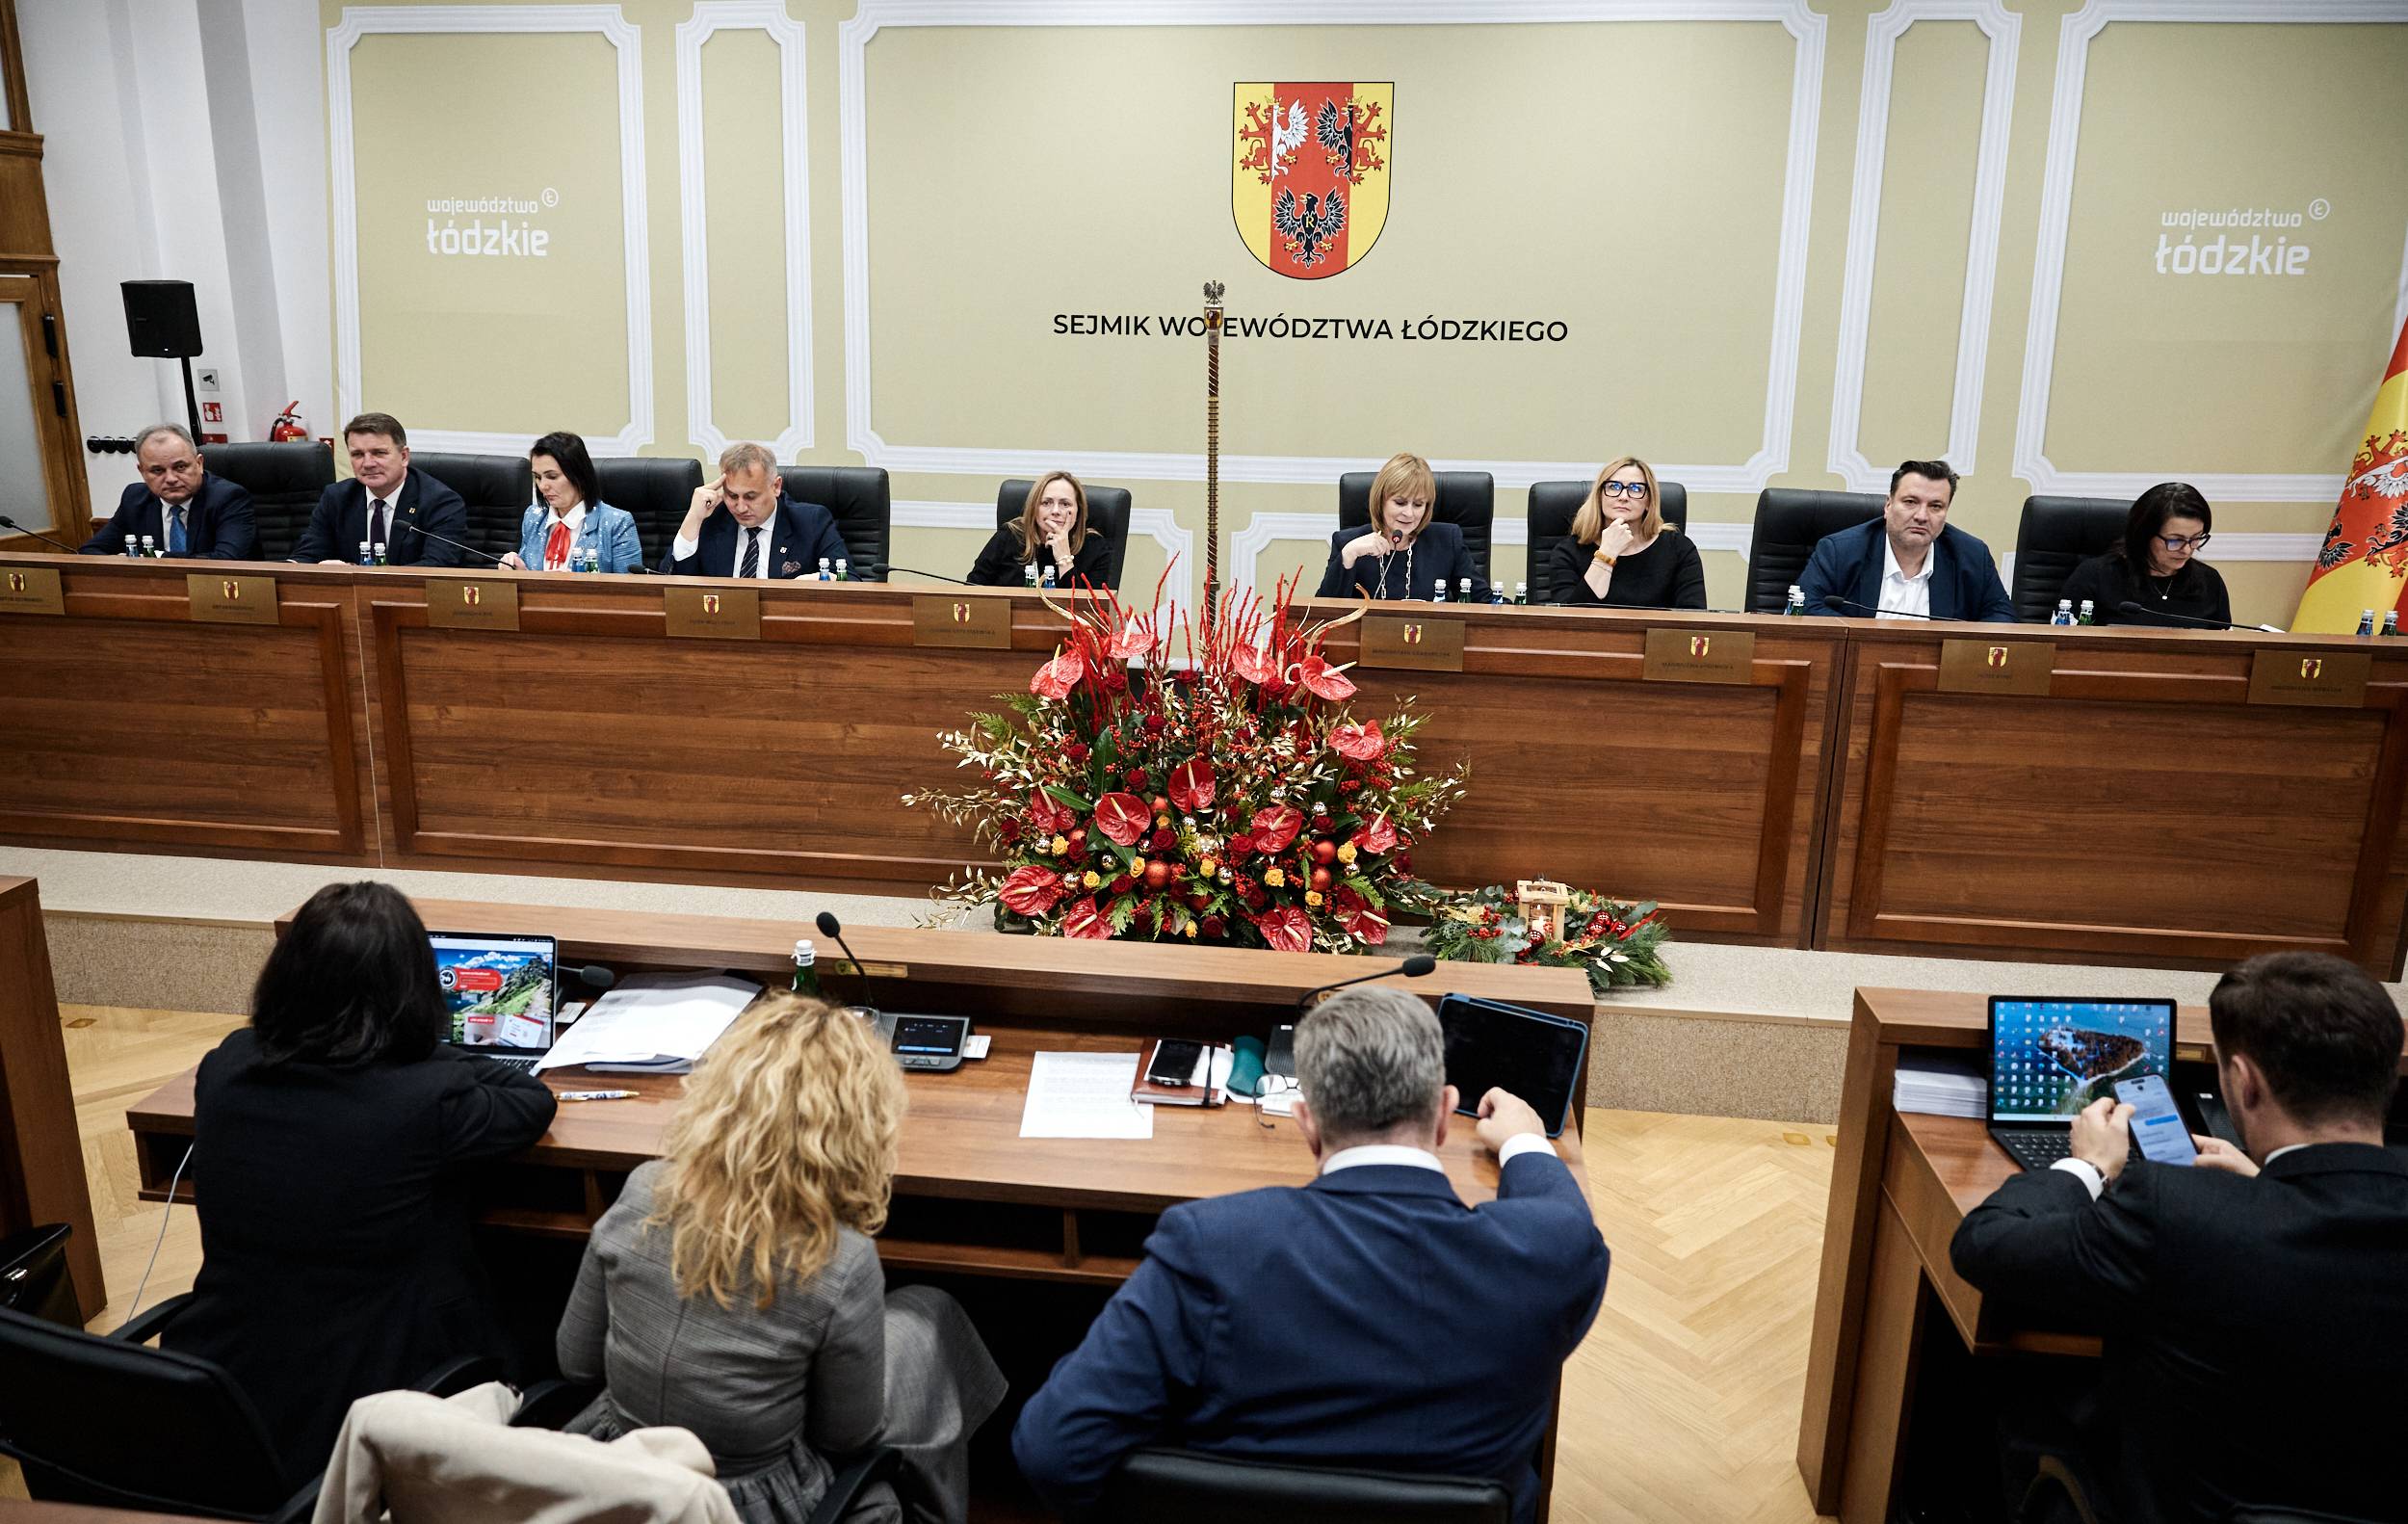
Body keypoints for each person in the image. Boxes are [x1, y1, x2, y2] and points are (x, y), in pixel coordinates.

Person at [1012, 985, 1609, 1524]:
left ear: (1305, 1120)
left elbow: (1053, 1451)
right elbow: (1563, 1217)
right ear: (1444, 1112)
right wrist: (1526, 1141)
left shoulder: (1213, 1243)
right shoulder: (1549, 1256)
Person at [1950, 952, 2408, 1524]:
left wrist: (2088, 1166)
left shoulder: (2175, 1210)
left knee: (2012, 1400)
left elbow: (1986, 1244)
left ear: (2244, 1082)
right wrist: (2269, 1186)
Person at [559, 992, 1005, 1524]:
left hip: (616, 1475)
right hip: (751, 1503)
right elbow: (847, 1436)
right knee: (929, 1315)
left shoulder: (644, 1188)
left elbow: (576, 1362)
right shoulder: (840, 1257)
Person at [166, 880, 557, 1481]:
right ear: (412, 992)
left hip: (231, 1387)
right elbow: (530, 1099)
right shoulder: (424, 1097)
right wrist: (423, 1049)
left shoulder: (225, 1068)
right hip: (384, 1394)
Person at [1796, 459, 2012, 621]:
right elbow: (1805, 608)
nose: (1922, 516)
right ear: (1888, 505)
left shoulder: (1972, 556)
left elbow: (2003, 618)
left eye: (1935, 506)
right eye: (1910, 502)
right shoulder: (1840, 551)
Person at [289, 412, 470, 566]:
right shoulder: (337, 497)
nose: (368, 463)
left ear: (404, 456)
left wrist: (357, 574)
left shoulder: (440, 503)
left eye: (379, 453)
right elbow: (308, 554)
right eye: (358, 454)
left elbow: (436, 567)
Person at [1314, 452, 1488, 601]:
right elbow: (1323, 614)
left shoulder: (1447, 541)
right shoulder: (1347, 542)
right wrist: (1348, 555)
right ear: (1381, 500)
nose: (1409, 513)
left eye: (1418, 504)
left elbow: (1482, 602)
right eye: (1400, 502)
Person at [660, 441, 849, 579]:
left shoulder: (811, 522)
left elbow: (849, 581)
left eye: (751, 497)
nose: (740, 508)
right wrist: (693, 518)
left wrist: (818, 582)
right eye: (732, 496)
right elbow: (671, 585)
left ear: (776, 486)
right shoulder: (712, 518)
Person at [2056, 482, 2231, 628]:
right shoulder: (2095, 576)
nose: (2187, 550)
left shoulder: (2209, 581)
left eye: (2196, 538)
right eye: (2175, 540)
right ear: (2144, 535)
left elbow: (2224, 649)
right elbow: (2063, 644)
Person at [78, 423, 258, 559]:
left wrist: (152, 558)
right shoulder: (134, 499)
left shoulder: (228, 498)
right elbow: (90, 551)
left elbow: (226, 560)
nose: (171, 478)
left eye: (180, 467)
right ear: (142, 472)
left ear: (199, 464)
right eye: (158, 470)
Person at [1544, 457, 1705, 609]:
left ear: (1649, 501)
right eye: (1614, 487)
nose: (1623, 496)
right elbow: (1571, 618)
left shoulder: (1679, 548)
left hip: (1657, 631)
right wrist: (1607, 553)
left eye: (1636, 489)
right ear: (1599, 496)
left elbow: (1693, 617)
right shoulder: (1568, 552)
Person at [498, 431, 644, 573]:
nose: (542, 486)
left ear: (579, 475)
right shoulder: (533, 517)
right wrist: (519, 571)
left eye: (552, 476)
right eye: (538, 477)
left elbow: (631, 587)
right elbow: (529, 580)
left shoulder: (617, 523)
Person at [966, 471, 1113, 588]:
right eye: (1046, 503)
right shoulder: (1009, 536)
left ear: (1078, 510)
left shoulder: (1094, 547)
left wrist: (1064, 559)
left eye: (1065, 504)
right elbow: (973, 591)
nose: (1055, 511)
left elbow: (1090, 610)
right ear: (1034, 508)